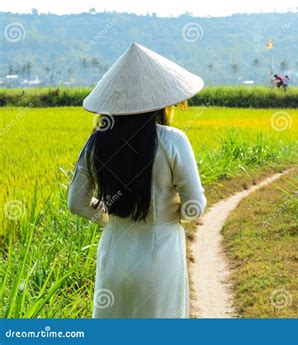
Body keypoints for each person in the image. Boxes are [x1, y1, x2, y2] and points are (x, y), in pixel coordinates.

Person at [68, 42, 206, 318]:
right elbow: (195, 207)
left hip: (114, 257)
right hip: (160, 260)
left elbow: (76, 203)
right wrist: (164, 214)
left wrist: (110, 216)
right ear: (160, 101)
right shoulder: (172, 140)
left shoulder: (97, 143)